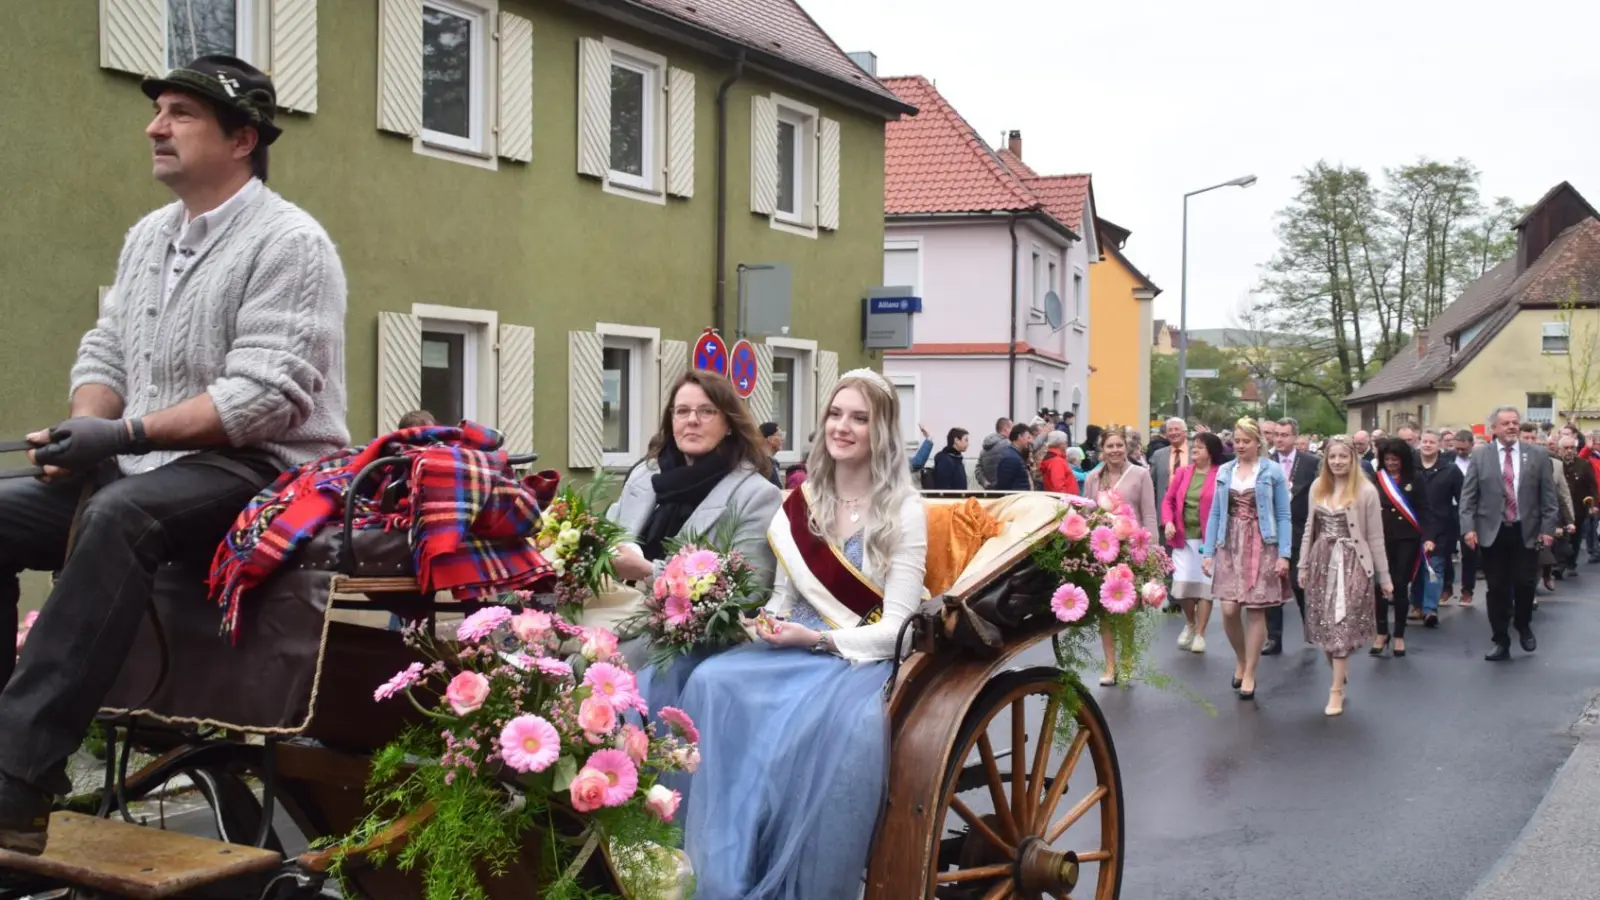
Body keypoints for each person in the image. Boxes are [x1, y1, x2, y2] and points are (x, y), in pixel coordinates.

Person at [0, 55, 349, 856]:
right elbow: (107, 354)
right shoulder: (147, 238)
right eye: (158, 111)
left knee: (123, 514)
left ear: (242, 139)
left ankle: (15, 784)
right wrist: (77, 432)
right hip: (150, 461)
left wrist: (119, 438)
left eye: (181, 113)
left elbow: (266, 396)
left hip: (264, 472)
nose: (155, 126)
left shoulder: (292, 242)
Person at [678, 369, 927, 898]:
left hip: (854, 660)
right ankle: (721, 871)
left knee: (804, 729)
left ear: (881, 430)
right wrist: (759, 623)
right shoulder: (803, 500)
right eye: (836, 415)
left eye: (859, 418)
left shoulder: (904, 509)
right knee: (710, 681)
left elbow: (899, 631)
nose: (843, 427)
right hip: (793, 646)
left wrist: (814, 641)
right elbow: (783, 601)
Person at [605, 371, 782, 687]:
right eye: (682, 411)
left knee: (605, 675)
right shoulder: (645, 478)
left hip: (686, 646)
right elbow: (610, 538)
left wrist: (648, 570)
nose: (692, 420)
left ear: (728, 423)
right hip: (614, 618)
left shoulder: (755, 494)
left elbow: (749, 593)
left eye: (706, 411)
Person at [1201, 418, 1291, 700]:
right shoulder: (1225, 471)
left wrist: (1284, 554)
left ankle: (1250, 671)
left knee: (1254, 610)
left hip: (1262, 543)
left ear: (1257, 443)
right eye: (1237, 441)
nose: (1240, 445)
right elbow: (1216, 512)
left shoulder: (1272, 471)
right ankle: (1241, 659)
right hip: (1229, 543)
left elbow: (1283, 515)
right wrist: (1208, 552)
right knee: (1228, 609)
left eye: (1246, 441)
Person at [1298, 436, 1389, 717]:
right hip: (1321, 560)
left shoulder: (1366, 491)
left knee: (1341, 623)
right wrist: (1302, 565)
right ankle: (1339, 672)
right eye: (1332, 457)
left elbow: (1375, 537)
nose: (1337, 462)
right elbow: (1308, 529)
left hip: (1353, 562)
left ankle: (1335, 690)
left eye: (1343, 457)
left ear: (1353, 459)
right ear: (1326, 459)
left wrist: (1383, 577)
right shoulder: (1317, 487)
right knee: (1324, 627)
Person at [1460, 407, 1559, 662]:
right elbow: (1468, 497)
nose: (1512, 427)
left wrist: (1548, 530)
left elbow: (1549, 497)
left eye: (1515, 422)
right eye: (1505, 423)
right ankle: (1500, 640)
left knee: (1525, 584)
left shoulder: (1537, 454)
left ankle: (1523, 625)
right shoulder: (1481, 456)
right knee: (1497, 589)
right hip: (1493, 532)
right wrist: (1468, 528)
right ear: (1494, 428)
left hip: (1525, 531)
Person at [1084, 427, 1158, 685]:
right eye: (1109, 446)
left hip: (1131, 547)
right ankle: (1109, 665)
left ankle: (1126, 661)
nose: (1115, 450)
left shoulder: (1140, 475)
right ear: (1102, 450)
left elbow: (1149, 513)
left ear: (1126, 448)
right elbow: (1087, 514)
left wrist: (1151, 551)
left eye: (1119, 445)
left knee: (1126, 608)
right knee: (1105, 608)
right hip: (1102, 549)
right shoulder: (1093, 478)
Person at [1368, 438, 1431, 656]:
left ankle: (1399, 634)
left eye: (1395, 459)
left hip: (1407, 538)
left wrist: (1429, 537)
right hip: (1381, 537)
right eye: (1387, 459)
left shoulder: (1415, 478)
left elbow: (1423, 509)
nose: (1391, 463)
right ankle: (1381, 631)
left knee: (1401, 585)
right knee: (1380, 585)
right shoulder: (1376, 479)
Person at [1163, 431, 1223, 654]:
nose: (1194, 450)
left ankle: (1200, 633)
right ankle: (1190, 623)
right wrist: (1168, 521)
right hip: (1182, 538)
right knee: (1184, 586)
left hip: (1207, 540)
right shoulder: (1183, 473)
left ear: (1211, 452)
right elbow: (1168, 501)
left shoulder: (1220, 474)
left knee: (1204, 587)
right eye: (1194, 446)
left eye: (1200, 447)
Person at [1265, 417, 1320, 656]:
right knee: (1272, 585)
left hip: (1300, 530)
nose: (1279, 439)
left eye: (1284, 435)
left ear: (1295, 437)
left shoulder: (1310, 463)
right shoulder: (1265, 462)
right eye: (1276, 434)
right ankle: (1273, 637)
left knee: (1300, 583)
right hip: (1272, 531)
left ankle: (1311, 629)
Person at [1412, 429, 1463, 627]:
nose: (1427, 445)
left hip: (1441, 526)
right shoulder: (1410, 468)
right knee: (1415, 568)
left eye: (1432, 442)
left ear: (1439, 445)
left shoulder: (1450, 470)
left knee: (1434, 567)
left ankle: (1430, 609)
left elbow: (1461, 499)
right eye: (1424, 441)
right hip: (1413, 524)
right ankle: (1416, 603)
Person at [1447, 429, 1479, 605]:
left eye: (1464, 449)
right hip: (1449, 510)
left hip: (1470, 511)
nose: (1460, 452)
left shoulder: (1479, 461)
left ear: (1472, 445)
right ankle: (1447, 587)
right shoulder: (1447, 460)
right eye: (1457, 448)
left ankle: (1467, 590)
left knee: (1469, 552)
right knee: (1446, 550)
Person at [1148, 417, 1189, 534]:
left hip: (1190, 513)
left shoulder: (1195, 452)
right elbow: (1151, 484)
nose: (1173, 433)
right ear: (1165, 434)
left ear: (1185, 432)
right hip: (1165, 514)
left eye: (1177, 429)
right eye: (1170, 430)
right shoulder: (1158, 455)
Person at [993, 423, 1035, 491]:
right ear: (1019, 436)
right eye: (1028, 438)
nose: (1030, 441)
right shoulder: (1011, 458)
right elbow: (1004, 486)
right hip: (1015, 499)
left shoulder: (1016, 455)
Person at [976, 417, 1013, 489]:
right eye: (1012, 428)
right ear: (1006, 429)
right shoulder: (1009, 445)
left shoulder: (984, 449)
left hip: (989, 491)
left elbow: (978, 469)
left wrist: (984, 482)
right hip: (1006, 490)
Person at [759, 422, 784, 487]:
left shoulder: (772, 463)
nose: (782, 439)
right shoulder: (762, 465)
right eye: (780, 435)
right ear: (770, 439)